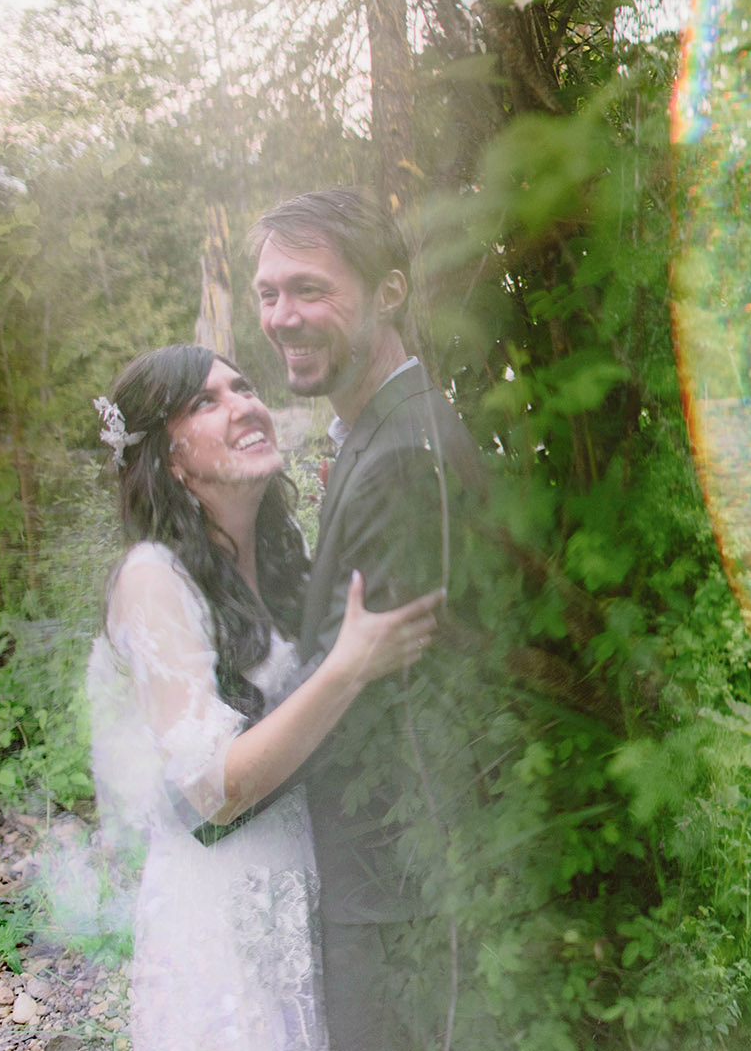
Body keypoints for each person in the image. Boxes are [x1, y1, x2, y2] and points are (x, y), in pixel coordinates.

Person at [85, 345, 442, 1051]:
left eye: (243, 387)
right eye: (206, 401)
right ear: (170, 460)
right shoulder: (151, 578)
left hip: (306, 891)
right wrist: (347, 668)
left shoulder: (281, 562)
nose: (244, 404)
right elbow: (210, 789)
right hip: (223, 919)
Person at [250, 187, 483, 1050]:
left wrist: (226, 759)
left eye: (310, 289)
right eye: (268, 293)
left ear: (389, 291)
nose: (283, 315)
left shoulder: (400, 455)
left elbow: (381, 700)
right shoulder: (375, 429)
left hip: (391, 892)